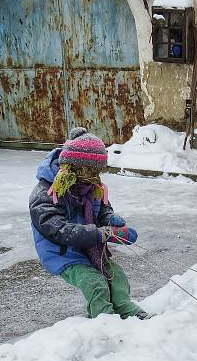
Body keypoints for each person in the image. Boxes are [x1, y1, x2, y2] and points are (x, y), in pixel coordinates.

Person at [29, 127, 151, 320]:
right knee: (95, 282)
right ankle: (104, 320)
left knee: (115, 275)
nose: (96, 176)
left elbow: (102, 208)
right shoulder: (46, 193)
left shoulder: (91, 186)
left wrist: (110, 220)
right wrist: (98, 234)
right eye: (91, 170)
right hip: (62, 252)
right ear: (75, 166)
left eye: (98, 170)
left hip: (89, 247)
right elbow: (57, 229)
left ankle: (123, 306)